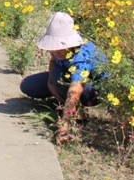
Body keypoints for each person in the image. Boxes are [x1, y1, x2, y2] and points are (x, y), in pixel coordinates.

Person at [19, 12, 106, 144]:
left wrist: (64, 126)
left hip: (93, 89)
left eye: (59, 48)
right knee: (28, 85)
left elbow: (75, 91)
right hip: (67, 76)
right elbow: (54, 61)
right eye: (53, 48)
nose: (55, 52)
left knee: (60, 80)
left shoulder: (81, 56)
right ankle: (60, 97)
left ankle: (75, 111)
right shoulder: (59, 51)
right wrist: (50, 84)